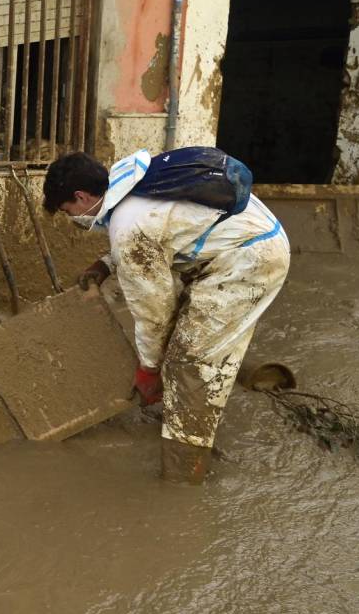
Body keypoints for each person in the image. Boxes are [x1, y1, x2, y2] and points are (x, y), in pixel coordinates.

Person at [43, 149, 290, 484]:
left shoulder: (129, 227)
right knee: (189, 343)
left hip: (247, 261)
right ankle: (216, 391)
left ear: (81, 196)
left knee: (189, 363)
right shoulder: (128, 178)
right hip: (245, 240)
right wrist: (106, 264)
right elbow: (161, 230)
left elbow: (154, 314)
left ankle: (182, 477)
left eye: (67, 210)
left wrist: (149, 369)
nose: (72, 218)